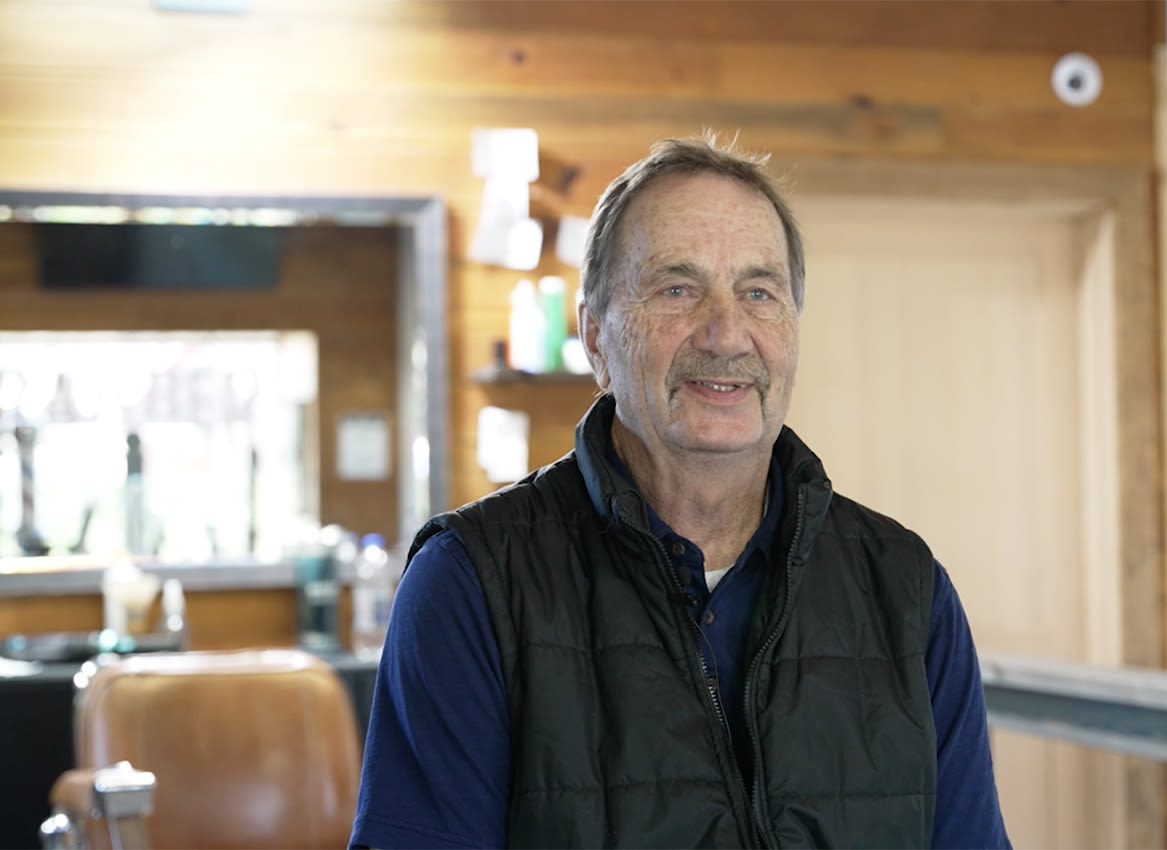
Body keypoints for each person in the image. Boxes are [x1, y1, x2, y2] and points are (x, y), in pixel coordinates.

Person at [350, 134, 1011, 849]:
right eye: (677, 288)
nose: (727, 333)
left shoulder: (906, 590)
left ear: (792, 328)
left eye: (759, 292)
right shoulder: (471, 584)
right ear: (597, 339)